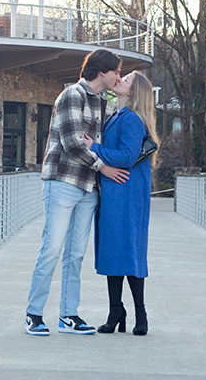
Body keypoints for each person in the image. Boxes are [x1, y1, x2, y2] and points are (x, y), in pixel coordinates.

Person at [24, 49, 129, 336]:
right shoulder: (72, 94)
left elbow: (98, 142)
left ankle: (68, 315)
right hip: (62, 182)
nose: (119, 77)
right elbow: (72, 143)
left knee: (76, 254)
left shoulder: (103, 102)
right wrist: (104, 168)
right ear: (102, 71)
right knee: (52, 248)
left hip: (88, 187)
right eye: (117, 72)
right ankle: (34, 314)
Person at [84, 70, 160, 336]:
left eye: (125, 80)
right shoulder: (116, 116)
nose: (120, 80)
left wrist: (95, 148)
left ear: (133, 92)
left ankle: (140, 312)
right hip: (114, 193)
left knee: (129, 251)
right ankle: (116, 310)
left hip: (128, 195)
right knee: (113, 251)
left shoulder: (131, 119)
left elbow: (127, 157)